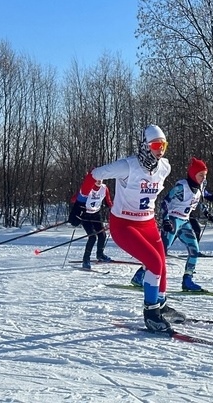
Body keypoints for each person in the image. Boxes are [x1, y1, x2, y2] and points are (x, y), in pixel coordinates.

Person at [75, 125, 181, 333]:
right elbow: (94, 175)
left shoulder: (164, 167)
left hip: (148, 223)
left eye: (164, 145)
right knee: (153, 262)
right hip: (124, 225)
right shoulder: (127, 166)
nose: (161, 150)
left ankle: (160, 304)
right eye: (156, 145)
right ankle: (150, 313)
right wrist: (80, 202)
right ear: (145, 146)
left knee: (162, 263)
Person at [130, 157, 213, 291]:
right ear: (192, 174)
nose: (203, 178)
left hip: (185, 222)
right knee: (160, 252)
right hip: (173, 221)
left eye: (205, 175)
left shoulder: (200, 186)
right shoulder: (181, 187)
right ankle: (139, 276)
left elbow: (199, 200)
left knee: (194, 251)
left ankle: (187, 281)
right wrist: (166, 219)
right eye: (200, 175)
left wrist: (208, 212)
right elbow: (165, 203)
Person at [68, 178, 113, 269]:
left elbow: (109, 202)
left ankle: (100, 255)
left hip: (96, 214)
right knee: (92, 237)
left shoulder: (104, 189)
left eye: (101, 178)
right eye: (97, 179)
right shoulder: (87, 188)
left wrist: (113, 212)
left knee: (102, 235)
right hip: (85, 215)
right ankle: (86, 260)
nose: (99, 180)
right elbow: (73, 199)